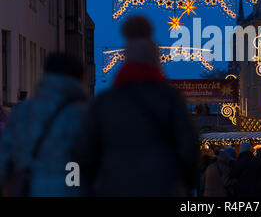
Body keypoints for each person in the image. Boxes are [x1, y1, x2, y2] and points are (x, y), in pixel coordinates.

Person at [74, 15, 200, 196]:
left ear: (125, 58)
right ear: (156, 59)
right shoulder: (170, 99)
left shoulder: (107, 101)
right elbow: (188, 148)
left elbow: (85, 154)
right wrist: (184, 184)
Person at [0, 53, 88, 197]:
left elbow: (4, 159)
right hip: (71, 189)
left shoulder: (22, 111)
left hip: (29, 189)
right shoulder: (84, 114)